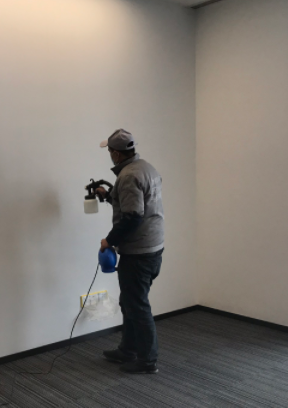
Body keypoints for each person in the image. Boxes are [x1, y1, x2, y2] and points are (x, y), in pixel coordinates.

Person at [96, 129, 164, 374]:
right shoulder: (146, 168)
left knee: (137, 305)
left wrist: (109, 241)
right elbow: (137, 204)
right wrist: (108, 196)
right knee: (130, 302)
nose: (109, 154)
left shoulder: (128, 175)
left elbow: (133, 216)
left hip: (138, 252)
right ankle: (128, 350)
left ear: (116, 153)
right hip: (153, 247)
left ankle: (147, 361)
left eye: (109, 150)